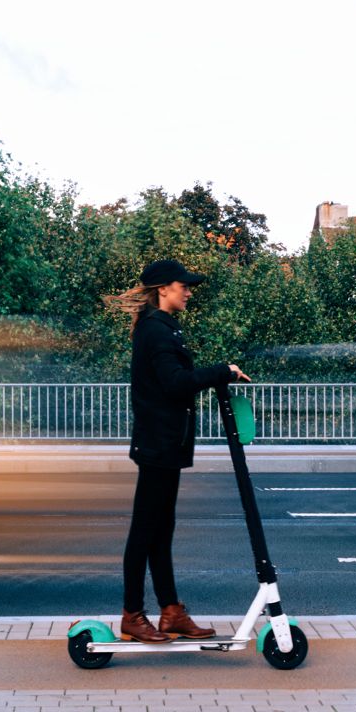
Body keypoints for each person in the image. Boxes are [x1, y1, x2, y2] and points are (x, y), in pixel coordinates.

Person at [104, 259, 250, 644]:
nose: (188, 291)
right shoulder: (156, 330)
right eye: (182, 285)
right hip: (158, 443)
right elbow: (174, 383)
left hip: (165, 443)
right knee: (144, 531)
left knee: (160, 529)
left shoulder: (163, 327)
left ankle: (170, 612)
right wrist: (222, 371)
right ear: (163, 289)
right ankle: (133, 615)